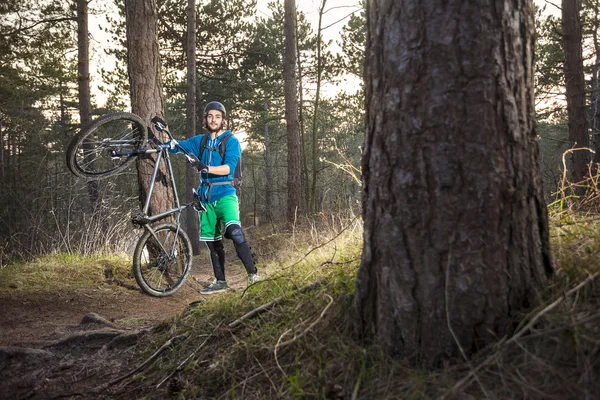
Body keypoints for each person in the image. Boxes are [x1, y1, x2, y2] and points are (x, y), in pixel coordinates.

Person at [169, 101, 259, 294]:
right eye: (210, 116)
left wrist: (206, 168)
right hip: (205, 197)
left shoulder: (231, 141)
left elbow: (228, 167)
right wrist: (164, 141)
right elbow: (177, 147)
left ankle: (253, 275)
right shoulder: (200, 141)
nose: (214, 120)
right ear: (205, 119)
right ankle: (220, 282)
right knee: (213, 242)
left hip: (226, 193)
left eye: (217, 117)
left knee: (235, 232)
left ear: (223, 120)